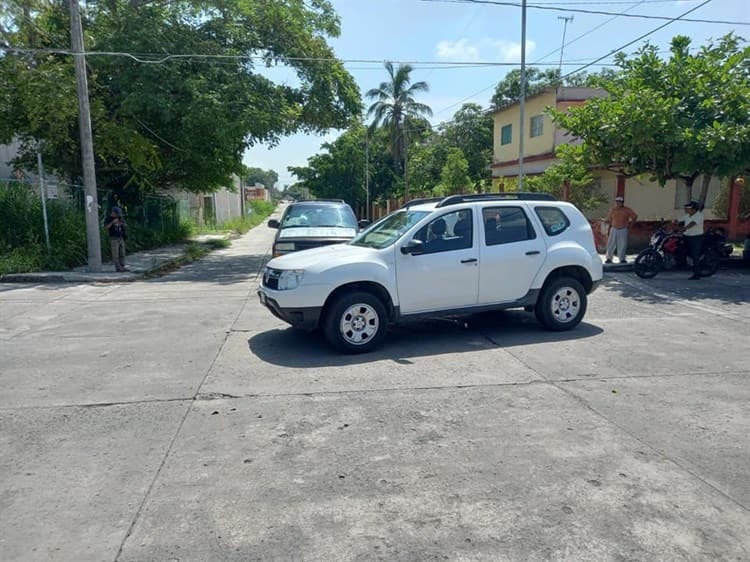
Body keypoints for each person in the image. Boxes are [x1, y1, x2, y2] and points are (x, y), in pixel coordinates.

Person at [605, 196, 638, 264]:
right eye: (617, 201)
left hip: (623, 229)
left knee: (622, 245)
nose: (618, 203)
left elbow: (634, 216)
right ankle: (609, 258)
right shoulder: (613, 209)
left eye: (620, 201)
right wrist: (608, 229)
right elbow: (609, 220)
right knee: (610, 244)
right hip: (614, 228)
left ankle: (622, 258)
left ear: (622, 202)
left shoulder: (627, 209)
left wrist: (630, 225)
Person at [679, 200, 704, 280]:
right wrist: (673, 222)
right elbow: (680, 220)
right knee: (682, 250)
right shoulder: (687, 215)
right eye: (686, 208)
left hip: (695, 238)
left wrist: (685, 228)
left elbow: (692, 223)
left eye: (688, 208)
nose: (686, 209)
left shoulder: (699, 215)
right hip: (686, 236)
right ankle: (684, 264)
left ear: (694, 209)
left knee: (694, 255)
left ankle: (697, 274)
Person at [103, 206, 129, 272]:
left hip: (121, 237)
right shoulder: (108, 218)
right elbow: (106, 228)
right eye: (117, 214)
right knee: (115, 254)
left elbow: (125, 225)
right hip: (114, 238)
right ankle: (118, 268)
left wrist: (122, 224)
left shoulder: (120, 218)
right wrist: (113, 222)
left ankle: (122, 266)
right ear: (113, 212)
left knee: (122, 253)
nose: (118, 215)